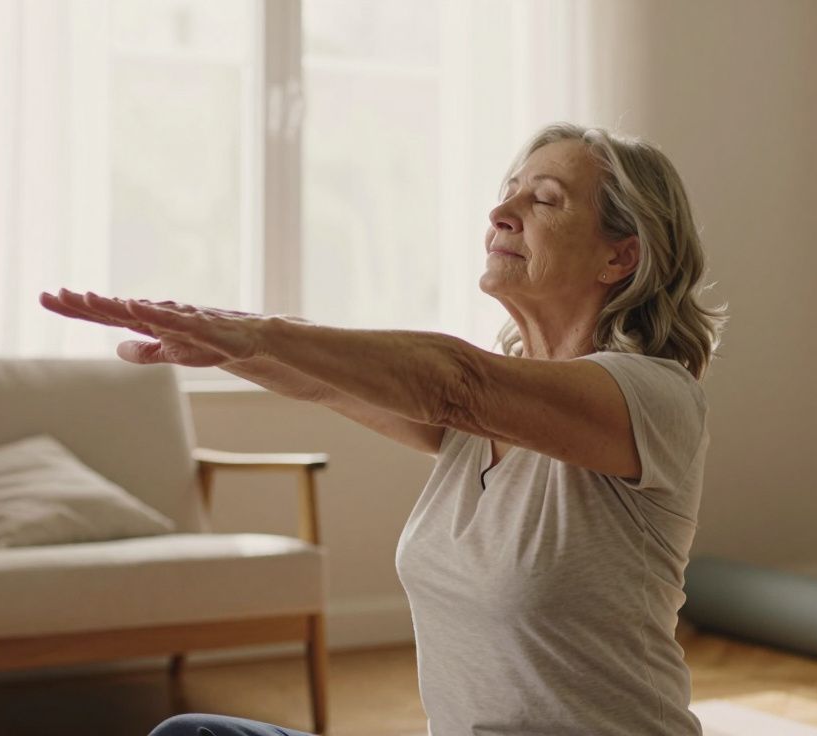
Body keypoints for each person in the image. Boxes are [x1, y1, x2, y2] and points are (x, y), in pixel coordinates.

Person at [41, 122, 727, 736]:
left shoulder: (650, 397)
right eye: (508, 191)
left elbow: (455, 383)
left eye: (543, 199)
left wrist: (252, 335)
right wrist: (218, 343)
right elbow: (326, 380)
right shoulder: (483, 415)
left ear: (621, 258)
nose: (500, 212)